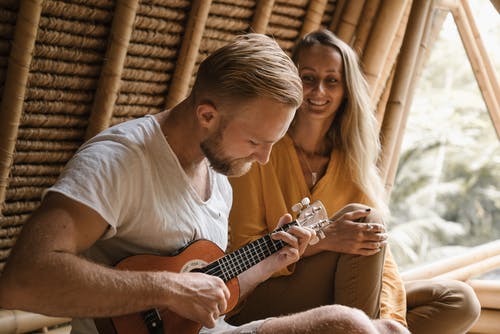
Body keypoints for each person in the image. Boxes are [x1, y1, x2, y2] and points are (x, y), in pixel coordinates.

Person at [0, 34, 408, 334]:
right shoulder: (119, 161)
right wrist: (167, 288)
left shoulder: (220, 174)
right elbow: (23, 279)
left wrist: (271, 263)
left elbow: (211, 292)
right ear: (207, 116)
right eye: (255, 141)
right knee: (351, 325)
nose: (264, 158)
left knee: (376, 329)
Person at [227, 29, 481, 334]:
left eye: (331, 80)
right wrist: (325, 240)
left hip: (340, 296)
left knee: (459, 300)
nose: (319, 90)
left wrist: (393, 321)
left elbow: (380, 258)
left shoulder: (351, 161)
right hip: (262, 295)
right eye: (308, 78)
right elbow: (243, 254)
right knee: (362, 218)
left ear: (346, 89)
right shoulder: (261, 150)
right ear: (292, 82)